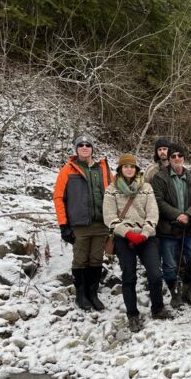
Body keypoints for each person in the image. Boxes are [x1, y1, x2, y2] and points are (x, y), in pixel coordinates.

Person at [103, 154, 170, 332]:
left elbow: (153, 213)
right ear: (120, 169)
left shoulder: (146, 187)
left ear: (136, 169)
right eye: (125, 167)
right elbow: (109, 217)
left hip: (146, 237)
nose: (129, 169)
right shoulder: (112, 189)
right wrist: (127, 233)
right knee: (129, 277)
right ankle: (132, 314)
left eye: (132, 167)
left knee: (155, 274)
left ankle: (157, 308)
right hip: (124, 238)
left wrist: (145, 232)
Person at [53, 133, 112, 311]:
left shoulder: (103, 168)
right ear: (76, 149)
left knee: (96, 259)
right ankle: (81, 295)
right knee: (80, 260)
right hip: (80, 224)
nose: (84, 147)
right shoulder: (68, 170)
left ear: (92, 148)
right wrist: (64, 225)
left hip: (101, 223)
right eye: (81, 145)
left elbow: (115, 192)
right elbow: (58, 197)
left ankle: (93, 293)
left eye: (88, 145)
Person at [152, 142, 191, 308]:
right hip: (168, 229)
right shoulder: (160, 178)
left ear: (183, 157)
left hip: (189, 228)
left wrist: (188, 215)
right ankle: (174, 293)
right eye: (173, 156)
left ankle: (187, 292)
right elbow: (158, 201)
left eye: (179, 155)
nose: (176, 158)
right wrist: (177, 215)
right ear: (169, 158)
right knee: (169, 264)